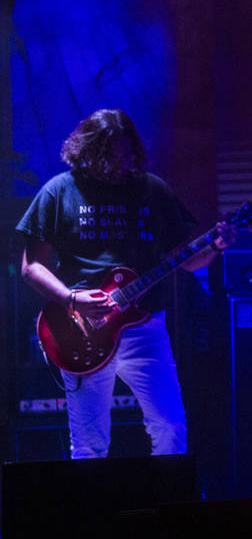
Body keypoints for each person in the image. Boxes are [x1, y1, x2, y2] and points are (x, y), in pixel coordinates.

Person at [17, 109, 234, 459]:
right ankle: (92, 512)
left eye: (128, 156)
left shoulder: (152, 190)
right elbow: (30, 267)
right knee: (89, 442)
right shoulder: (59, 192)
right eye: (111, 157)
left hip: (145, 326)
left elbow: (187, 260)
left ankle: (170, 503)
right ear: (88, 152)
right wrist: (72, 300)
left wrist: (215, 247)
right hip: (82, 329)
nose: (121, 165)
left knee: (171, 425)